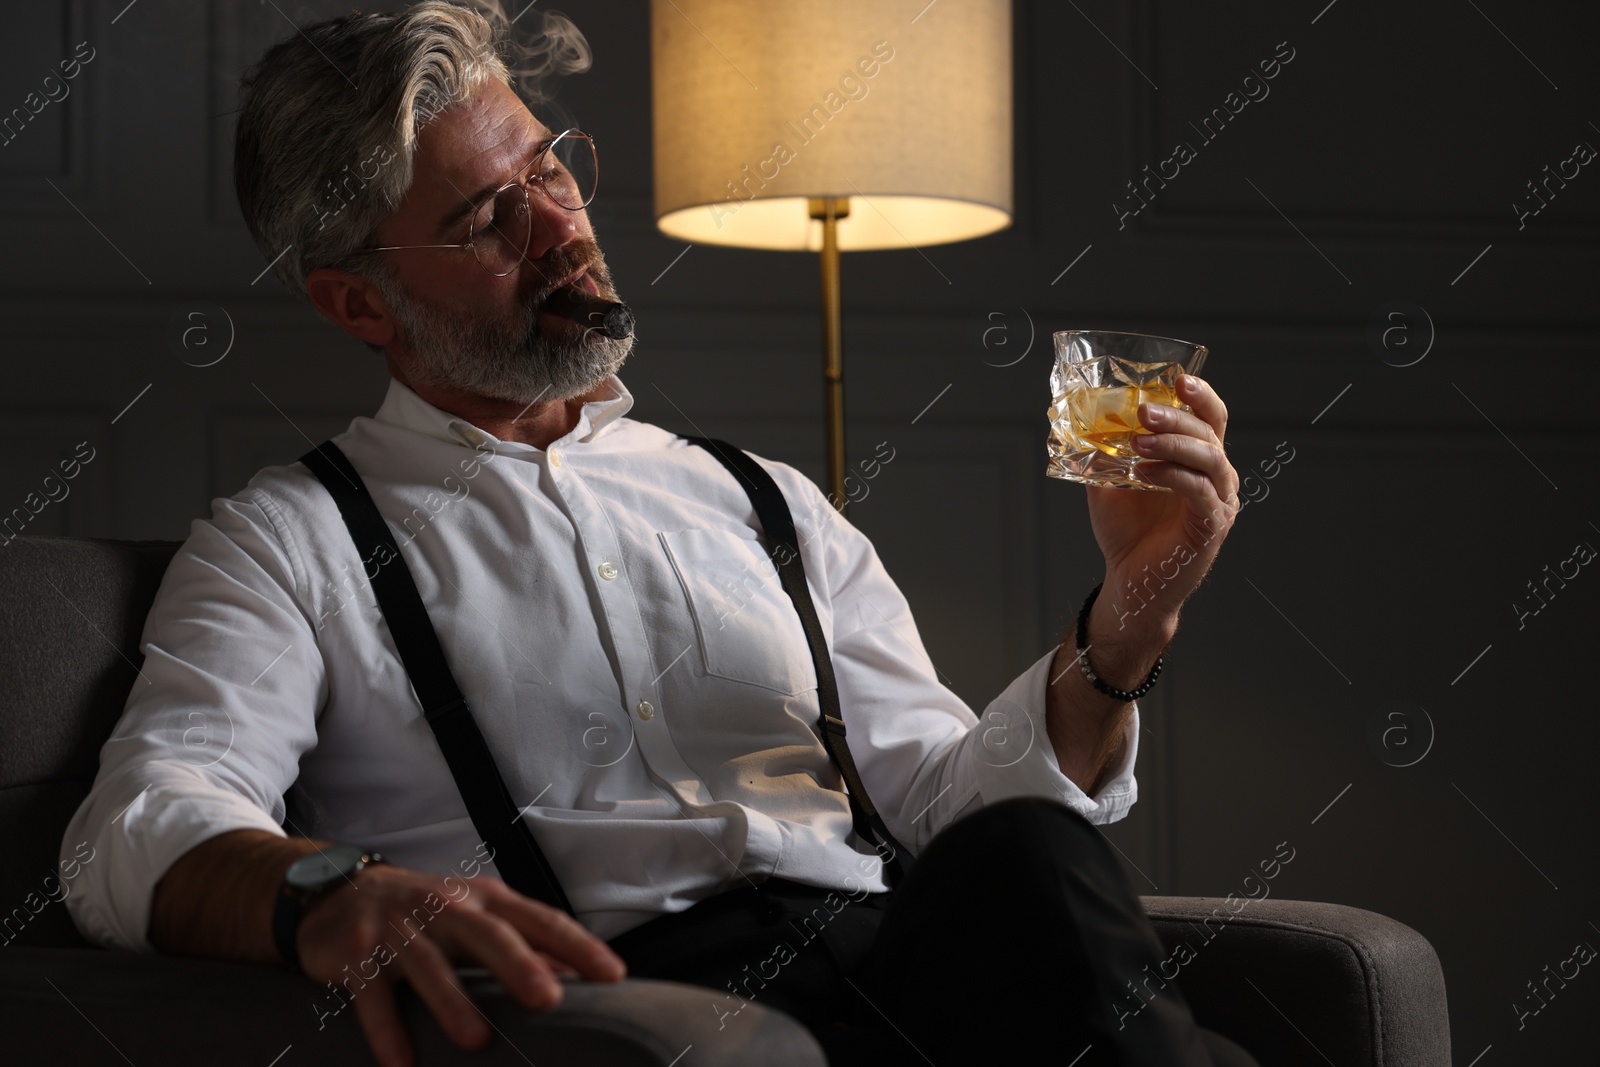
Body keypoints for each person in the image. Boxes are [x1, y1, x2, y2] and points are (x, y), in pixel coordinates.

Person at [61, 3, 1250, 1064]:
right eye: (488, 217)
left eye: (550, 170)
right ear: (360, 301)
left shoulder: (762, 497)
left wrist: (1132, 608)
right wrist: (326, 885)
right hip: (646, 1008)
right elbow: (136, 824)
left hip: (899, 966)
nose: (559, 228)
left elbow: (952, 804)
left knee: (1030, 857)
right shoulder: (290, 542)